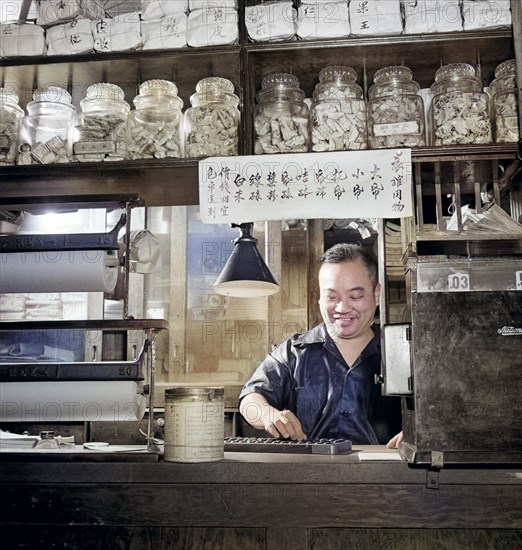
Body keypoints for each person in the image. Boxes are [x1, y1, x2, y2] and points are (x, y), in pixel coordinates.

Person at [239, 242, 402, 447]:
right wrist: (266, 413)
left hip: (386, 475)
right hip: (309, 473)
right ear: (319, 298)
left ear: (376, 294)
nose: (342, 307)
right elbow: (249, 400)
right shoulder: (294, 353)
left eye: (355, 296)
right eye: (332, 297)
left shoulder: (402, 352)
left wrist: (418, 434)